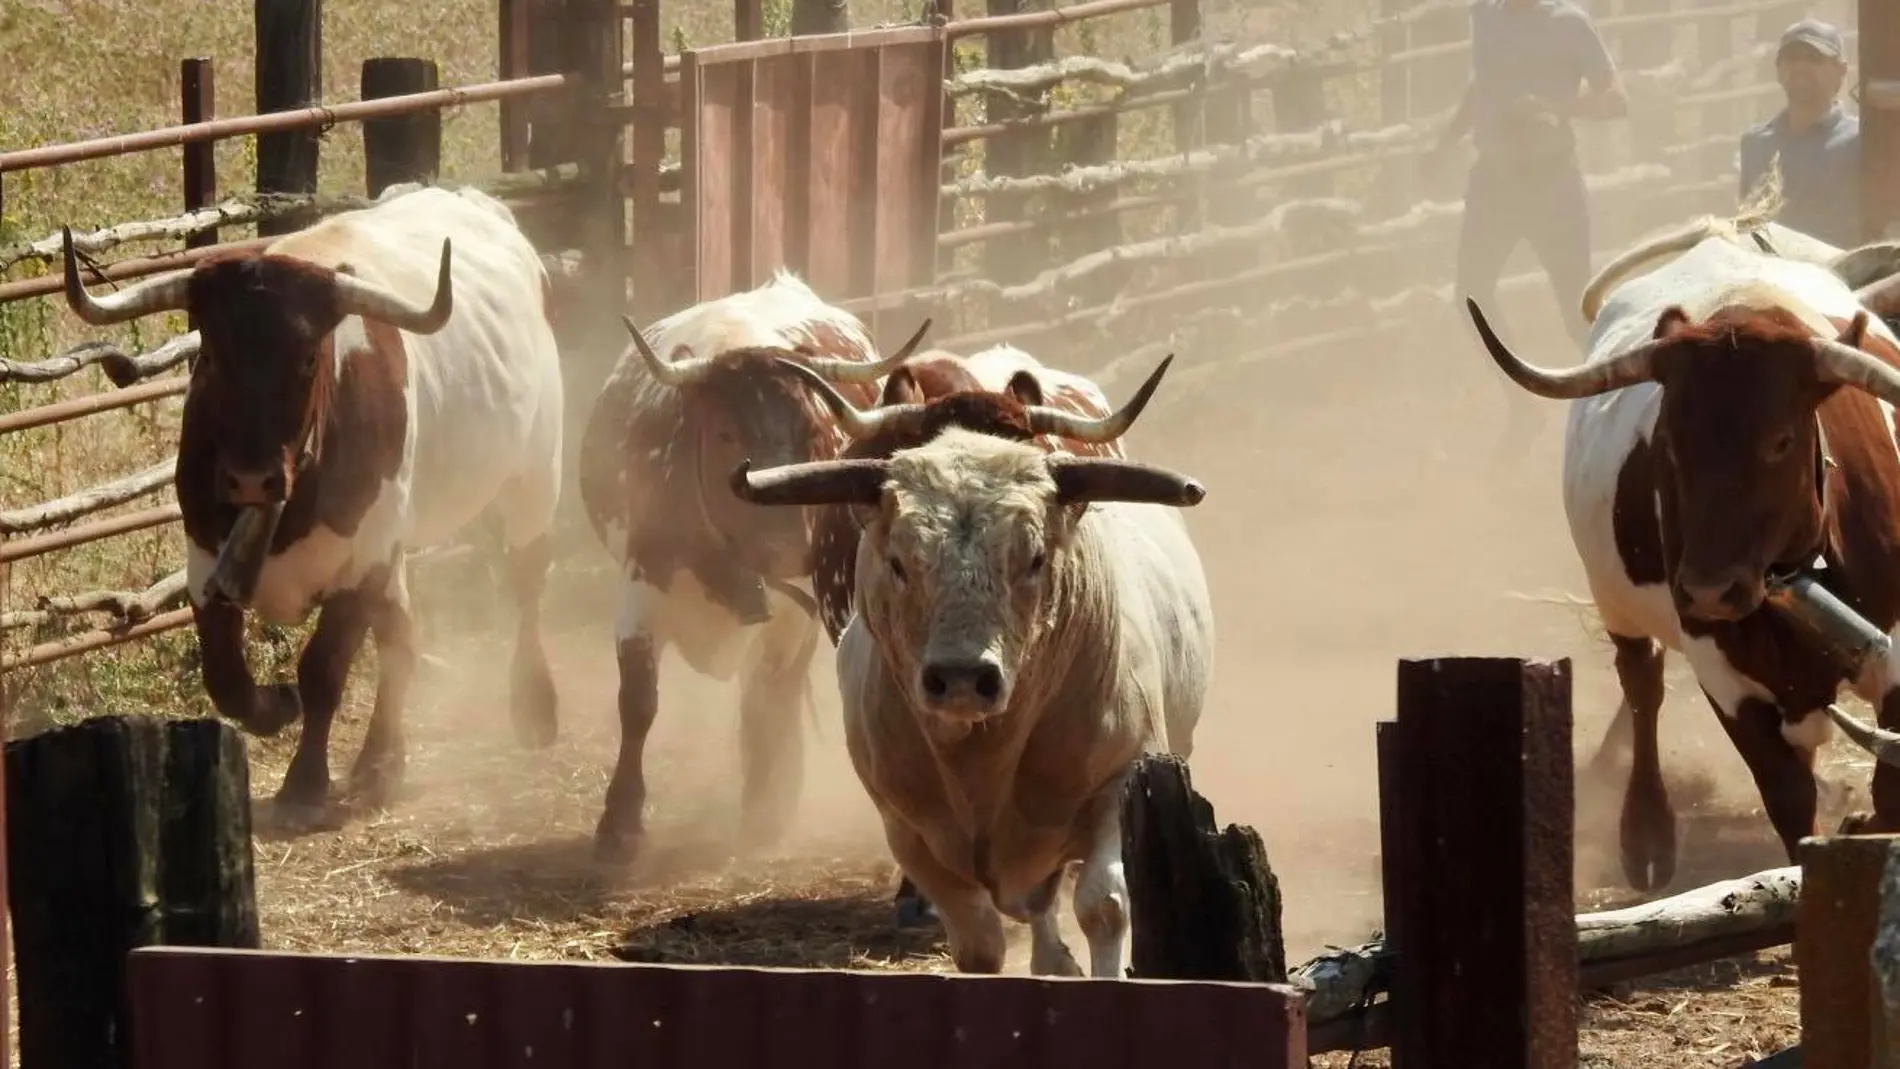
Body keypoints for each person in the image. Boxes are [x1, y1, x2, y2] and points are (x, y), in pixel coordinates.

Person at [1430, 0, 1628, 351]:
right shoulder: (1486, 17)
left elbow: (1615, 99)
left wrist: (1554, 108)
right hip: (1494, 181)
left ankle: (1619, 391)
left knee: (1576, 311)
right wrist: (1444, 144)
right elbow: (1483, 85)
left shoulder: (1569, 22)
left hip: (1550, 182)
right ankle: (1520, 399)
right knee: (1470, 296)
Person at [1738, 18, 1862, 249]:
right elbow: (1746, 225)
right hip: (1769, 275)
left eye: (1815, 59)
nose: (1801, 67)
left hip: (1841, 277)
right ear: (1778, 69)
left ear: (1841, 71)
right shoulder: (1755, 144)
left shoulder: (1861, 141)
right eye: (1792, 58)